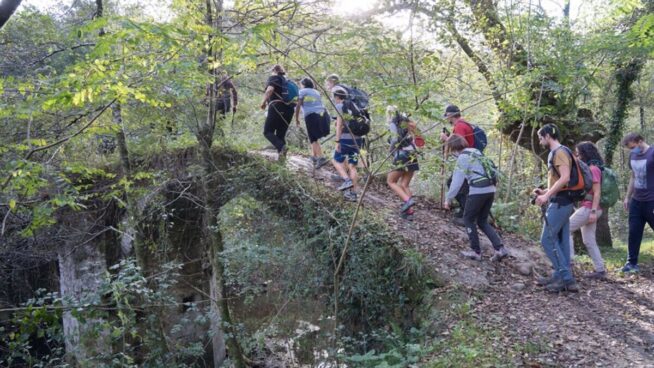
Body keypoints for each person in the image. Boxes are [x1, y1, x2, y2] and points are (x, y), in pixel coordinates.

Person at [443, 134, 508, 261]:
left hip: (478, 190)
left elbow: (456, 181)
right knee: (482, 221)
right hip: (490, 189)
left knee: (468, 219)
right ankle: (499, 249)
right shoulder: (475, 151)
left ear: (453, 147)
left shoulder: (462, 158)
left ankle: (475, 251)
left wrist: (448, 199)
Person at [533, 124, 579, 292]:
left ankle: (565, 278)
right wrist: (545, 191)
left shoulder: (559, 152)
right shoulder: (561, 151)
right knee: (562, 240)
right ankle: (562, 277)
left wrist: (546, 196)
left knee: (546, 240)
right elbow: (560, 182)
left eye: (540, 137)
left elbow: (565, 178)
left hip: (561, 203)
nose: (540, 141)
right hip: (563, 200)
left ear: (547, 136)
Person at [568, 141, 607, 279]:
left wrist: (593, 212)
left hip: (590, 208)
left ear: (585, 154)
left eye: (579, 153)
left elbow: (597, 192)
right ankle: (600, 270)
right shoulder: (590, 168)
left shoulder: (593, 169)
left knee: (565, 228)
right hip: (590, 208)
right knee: (589, 241)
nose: (577, 156)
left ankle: (569, 264)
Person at [621, 132, 654, 273]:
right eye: (629, 148)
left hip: (651, 200)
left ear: (640, 141)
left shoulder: (652, 153)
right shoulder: (633, 156)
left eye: (632, 147)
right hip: (636, 201)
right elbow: (633, 177)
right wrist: (627, 197)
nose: (631, 150)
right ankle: (631, 263)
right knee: (634, 232)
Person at [440, 105, 475, 224]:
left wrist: (446, 139)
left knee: (455, 184)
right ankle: (465, 213)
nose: (447, 120)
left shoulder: (460, 126)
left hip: (466, 162)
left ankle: (467, 215)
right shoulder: (464, 124)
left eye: (447, 117)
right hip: (470, 160)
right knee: (463, 188)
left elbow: (459, 145)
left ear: (450, 115)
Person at [386, 106, 419, 220]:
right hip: (412, 154)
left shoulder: (393, 123)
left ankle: (408, 201)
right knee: (404, 184)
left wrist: (390, 151)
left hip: (402, 154)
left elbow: (395, 140)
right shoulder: (409, 123)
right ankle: (409, 212)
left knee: (391, 181)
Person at [332, 90, 363, 202]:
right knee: (352, 166)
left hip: (345, 140)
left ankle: (346, 180)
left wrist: (337, 142)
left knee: (336, 161)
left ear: (337, 97)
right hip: (357, 141)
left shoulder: (340, 106)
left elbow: (339, 126)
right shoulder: (356, 106)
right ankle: (354, 194)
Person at [260, 64, 295, 160]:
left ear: (274, 70)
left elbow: (270, 90)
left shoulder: (274, 77)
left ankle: (282, 147)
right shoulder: (287, 81)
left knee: (267, 131)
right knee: (280, 135)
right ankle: (282, 160)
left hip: (277, 106)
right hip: (290, 109)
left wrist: (263, 102)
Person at [295, 77, 330, 169]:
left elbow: (298, 105)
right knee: (313, 136)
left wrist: (296, 118)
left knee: (313, 137)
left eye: (301, 84)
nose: (300, 86)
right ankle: (314, 156)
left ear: (303, 84)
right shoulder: (316, 92)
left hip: (311, 115)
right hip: (322, 114)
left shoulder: (302, 91)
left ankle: (321, 157)